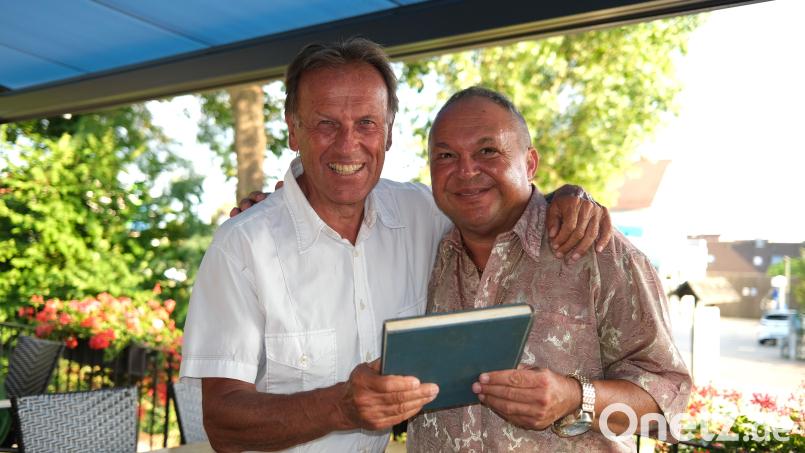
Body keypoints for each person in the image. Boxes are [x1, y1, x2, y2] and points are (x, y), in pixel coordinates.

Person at [179, 38, 611, 453]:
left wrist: (567, 197)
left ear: (387, 133)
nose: (348, 144)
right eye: (326, 123)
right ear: (294, 130)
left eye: (366, 123)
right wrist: (339, 407)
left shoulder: (423, 213)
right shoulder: (242, 247)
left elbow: (498, 199)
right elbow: (221, 422)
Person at [405, 87, 691, 452]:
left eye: (487, 151)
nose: (465, 170)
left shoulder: (597, 252)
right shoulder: (424, 249)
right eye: (446, 155)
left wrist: (575, 397)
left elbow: (669, 405)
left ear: (529, 163)